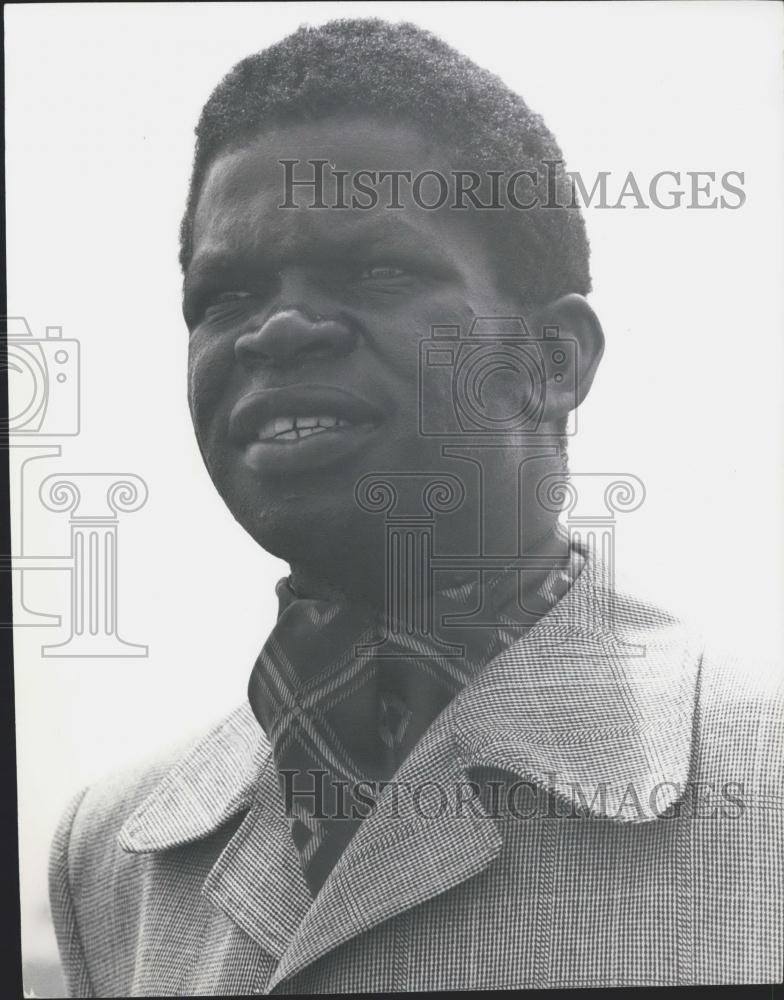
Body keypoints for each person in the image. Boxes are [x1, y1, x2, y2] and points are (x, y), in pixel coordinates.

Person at [49, 19, 782, 995]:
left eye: (377, 272)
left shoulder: (760, 782)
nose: (276, 330)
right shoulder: (115, 854)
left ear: (552, 360)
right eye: (224, 295)